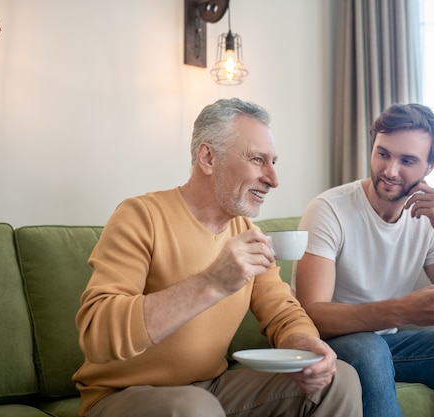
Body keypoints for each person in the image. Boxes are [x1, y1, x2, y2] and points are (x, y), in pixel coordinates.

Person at [72, 98, 362, 417]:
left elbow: (281, 309)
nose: (273, 179)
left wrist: (304, 344)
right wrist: (211, 282)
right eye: (257, 159)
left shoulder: (245, 231)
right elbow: (96, 334)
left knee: (339, 380)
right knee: (195, 408)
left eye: (273, 162)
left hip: (211, 388)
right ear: (208, 157)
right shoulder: (141, 216)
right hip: (121, 395)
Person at [293, 103, 434, 417]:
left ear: (430, 166)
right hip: (335, 344)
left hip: (387, 347)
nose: (389, 170)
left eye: (407, 160)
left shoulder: (427, 219)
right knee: (369, 347)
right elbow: (314, 315)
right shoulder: (328, 210)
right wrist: (401, 311)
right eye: (382, 153)